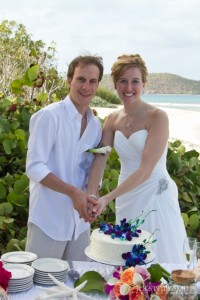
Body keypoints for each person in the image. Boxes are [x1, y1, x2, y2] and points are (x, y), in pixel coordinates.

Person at [86, 54, 187, 264]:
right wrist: (92, 195)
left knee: (158, 255)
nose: (128, 87)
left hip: (154, 193)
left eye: (135, 81)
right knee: (127, 256)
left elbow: (146, 169)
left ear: (144, 84)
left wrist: (108, 197)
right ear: (115, 84)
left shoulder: (157, 117)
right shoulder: (113, 120)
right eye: (123, 81)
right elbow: (100, 159)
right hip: (126, 196)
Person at [25, 54, 104, 261]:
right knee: (39, 288)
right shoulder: (50, 116)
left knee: (77, 286)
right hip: (48, 219)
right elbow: (34, 166)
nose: (86, 86)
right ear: (69, 80)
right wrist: (72, 192)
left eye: (92, 81)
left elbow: (89, 171)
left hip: (79, 224)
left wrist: (91, 198)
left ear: (97, 86)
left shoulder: (95, 126)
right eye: (81, 79)